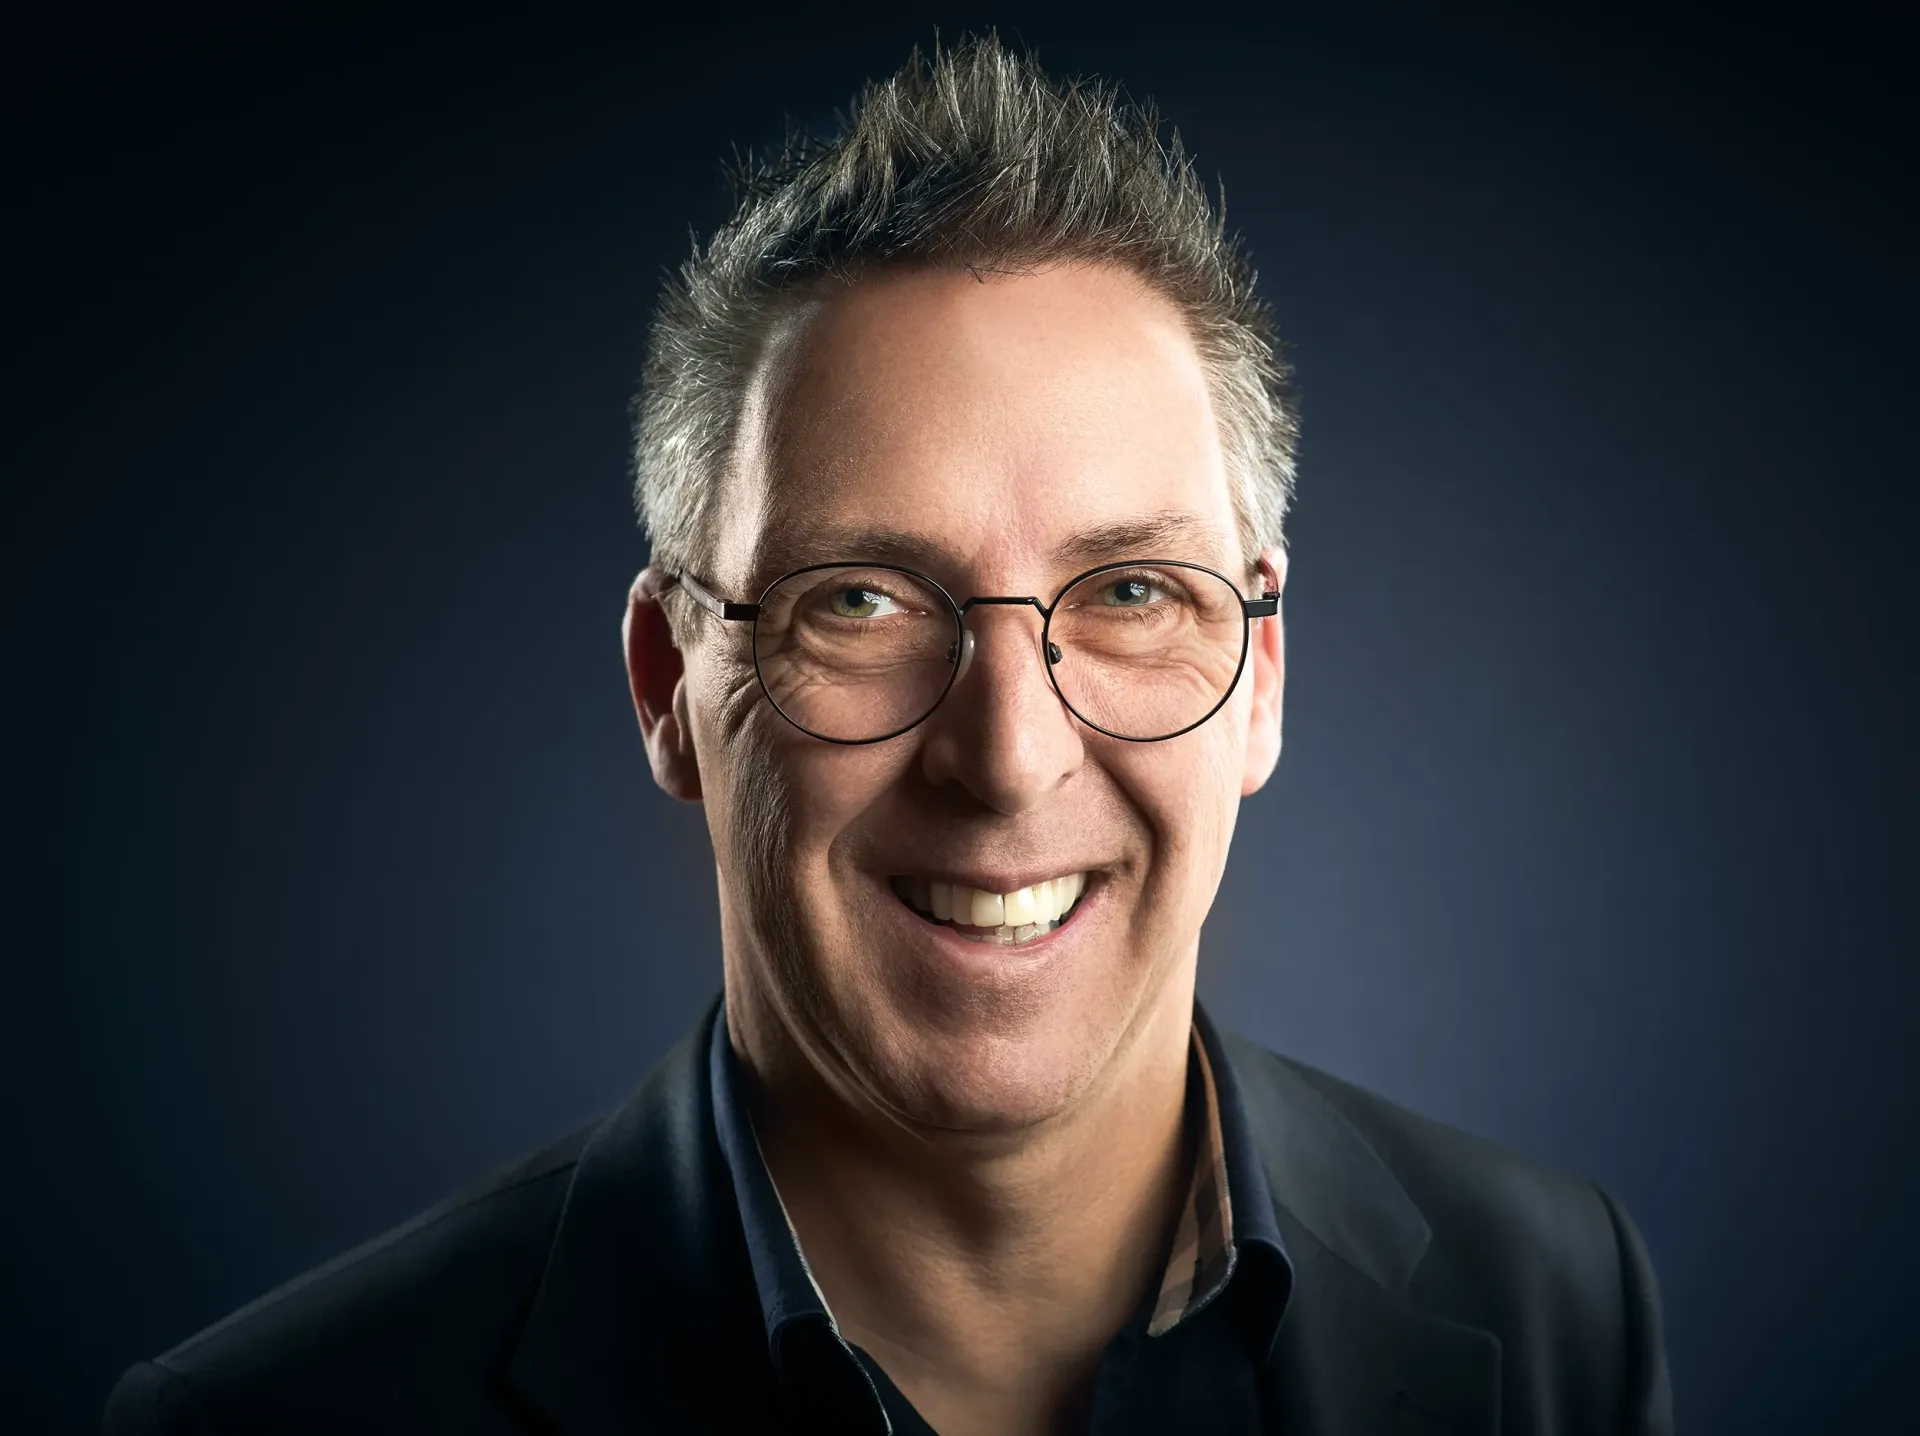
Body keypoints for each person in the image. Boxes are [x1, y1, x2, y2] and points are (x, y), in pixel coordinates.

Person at [104, 35, 1672, 1436]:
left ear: (1259, 671)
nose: (1007, 759)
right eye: (859, 601)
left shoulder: (1554, 1314)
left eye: (1130, 589)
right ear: (669, 686)